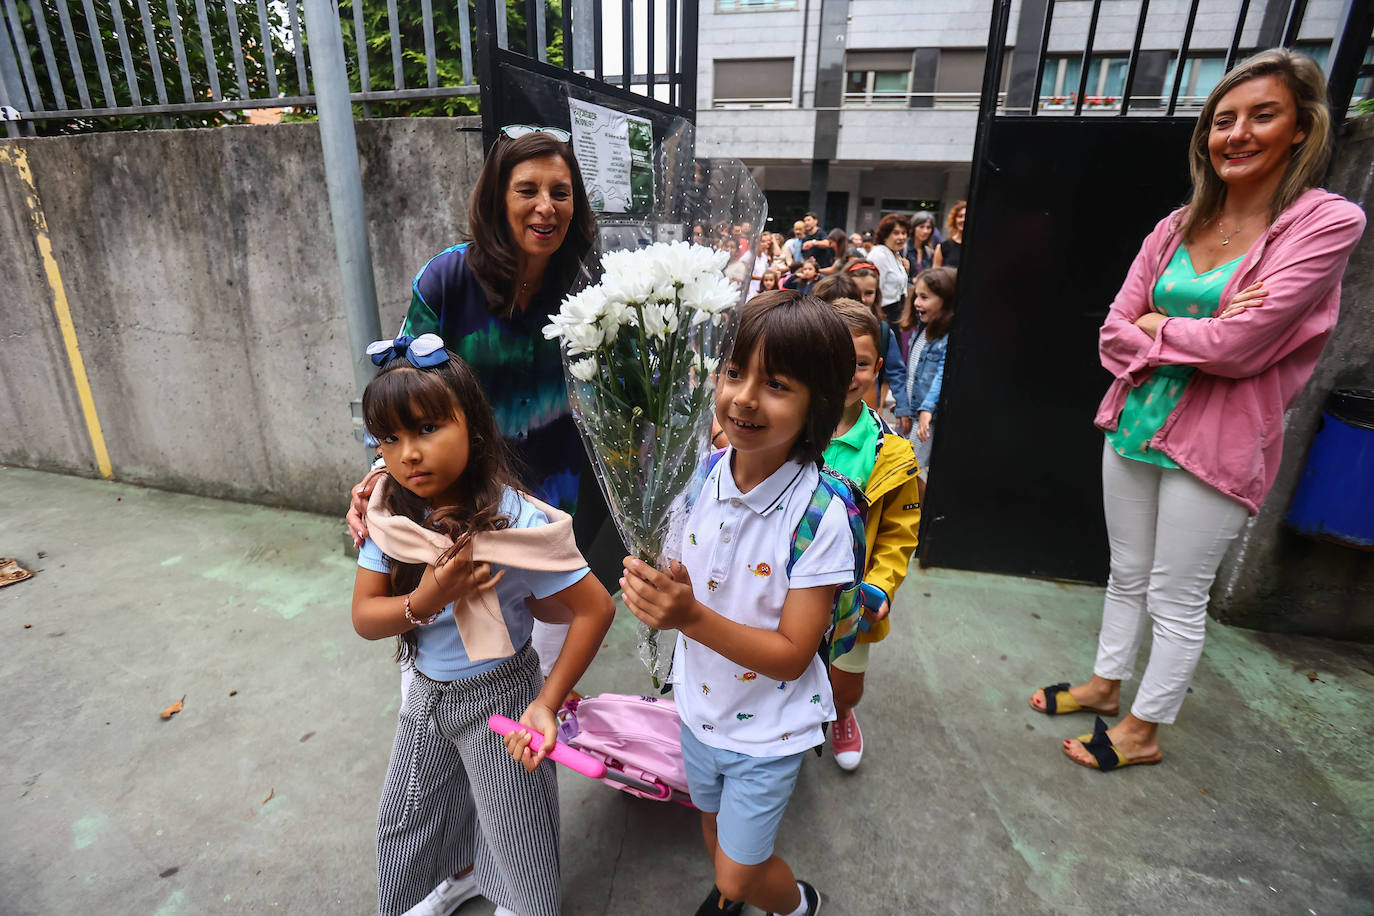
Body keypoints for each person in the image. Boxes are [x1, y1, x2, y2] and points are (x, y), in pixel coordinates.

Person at [1028, 49, 1365, 772]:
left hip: (1219, 440)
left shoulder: (1324, 222)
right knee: (1126, 572)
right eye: (1223, 120)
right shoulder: (1178, 224)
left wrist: (1158, 327)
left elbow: (1243, 347)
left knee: (1176, 597)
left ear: (1302, 128)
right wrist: (1183, 335)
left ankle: (1146, 730)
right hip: (1135, 423)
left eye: (1262, 115)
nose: (1237, 134)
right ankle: (1106, 685)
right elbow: (1112, 329)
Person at [352, 338, 615, 916]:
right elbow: (365, 617)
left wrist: (546, 703)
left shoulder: (512, 521)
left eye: (425, 429)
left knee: (517, 823)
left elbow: (595, 607)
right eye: (388, 437)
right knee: (418, 807)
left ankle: (520, 905)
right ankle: (457, 876)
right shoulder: (392, 515)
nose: (408, 455)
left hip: (502, 695)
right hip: (425, 690)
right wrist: (427, 597)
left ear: (472, 425)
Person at [620, 290, 855, 916]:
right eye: (733, 373)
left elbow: (788, 656)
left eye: (776, 384)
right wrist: (658, 582)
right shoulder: (705, 474)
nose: (745, 397)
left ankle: (797, 902)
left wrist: (687, 614)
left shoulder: (818, 515)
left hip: (769, 734)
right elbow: (690, 571)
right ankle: (735, 884)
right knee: (710, 823)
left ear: (818, 406)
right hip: (698, 710)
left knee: (736, 876)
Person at [823, 299, 922, 771]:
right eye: (832, 360)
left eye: (859, 363)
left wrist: (880, 584)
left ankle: (842, 714)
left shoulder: (893, 453)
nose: (846, 373)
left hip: (852, 597)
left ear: (877, 366)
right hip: (784, 589)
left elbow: (900, 535)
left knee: (844, 681)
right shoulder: (786, 429)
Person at [843, 262, 913, 434]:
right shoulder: (829, 325)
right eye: (856, 293)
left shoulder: (882, 331)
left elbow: (896, 371)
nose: (863, 299)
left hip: (866, 408)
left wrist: (903, 408)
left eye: (869, 293)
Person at [903, 267, 956, 479]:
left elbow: (941, 376)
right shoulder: (923, 330)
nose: (917, 302)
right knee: (911, 466)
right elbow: (914, 373)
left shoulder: (945, 338)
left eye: (924, 297)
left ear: (946, 300)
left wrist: (927, 408)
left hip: (927, 417)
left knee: (911, 468)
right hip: (916, 413)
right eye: (917, 296)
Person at [867, 213, 912, 327]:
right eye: (896, 233)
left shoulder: (896, 254)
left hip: (896, 314)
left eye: (904, 233)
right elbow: (874, 289)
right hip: (882, 314)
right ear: (885, 235)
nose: (901, 237)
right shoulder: (880, 254)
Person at [932, 200, 965, 269]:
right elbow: (935, 275)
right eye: (960, 216)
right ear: (954, 219)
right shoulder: (942, 247)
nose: (963, 220)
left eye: (966, 216)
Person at [905, 211, 937, 278]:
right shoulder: (903, 249)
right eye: (921, 227)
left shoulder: (929, 252)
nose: (925, 231)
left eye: (928, 227)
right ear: (913, 228)